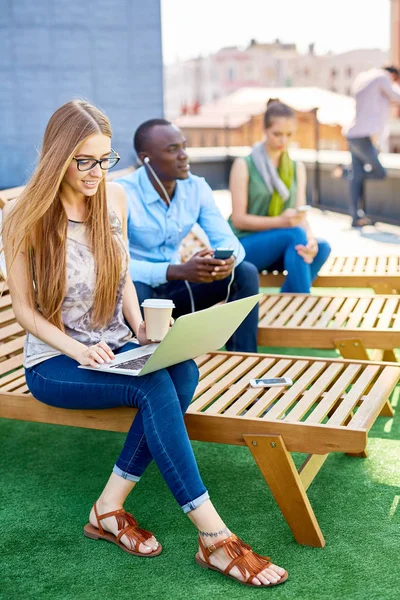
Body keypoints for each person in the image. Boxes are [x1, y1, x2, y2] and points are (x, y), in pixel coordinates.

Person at [1, 100, 287, 587]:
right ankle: (215, 539)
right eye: (84, 161)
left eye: (104, 160)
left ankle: (108, 509)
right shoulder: (23, 216)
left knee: (184, 369)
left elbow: (124, 274)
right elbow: (25, 312)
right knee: (154, 389)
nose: (96, 172)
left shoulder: (114, 200)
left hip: (116, 349)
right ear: (57, 157)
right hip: (56, 361)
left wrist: (138, 325)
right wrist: (78, 350)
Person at [116, 119, 259, 353]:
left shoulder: (196, 188)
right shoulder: (123, 193)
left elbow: (227, 239)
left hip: (176, 292)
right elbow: (114, 266)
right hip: (137, 296)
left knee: (245, 272)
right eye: (172, 150)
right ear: (145, 158)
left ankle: (245, 358)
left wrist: (225, 260)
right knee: (136, 291)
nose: (184, 155)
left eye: (184, 146)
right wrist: (176, 270)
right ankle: (143, 365)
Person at [229, 100, 331, 293]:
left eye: (289, 135)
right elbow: (239, 220)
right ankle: (303, 307)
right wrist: (281, 222)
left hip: (282, 243)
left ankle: (289, 305)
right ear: (264, 130)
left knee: (321, 247)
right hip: (244, 244)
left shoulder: (296, 167)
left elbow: (300, 216)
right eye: (277, 134)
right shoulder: (244, 165)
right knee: (295, 234)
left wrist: (310, 239)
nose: (283, 141)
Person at [340, 65, 400, 227]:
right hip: (361, 137)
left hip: (352, 134)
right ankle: (346, 172)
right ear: (393, 75)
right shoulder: (382, 78)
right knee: (380, 172)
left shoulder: (364, 77)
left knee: (357, 175)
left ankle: (356, 217)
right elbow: (396, 95)